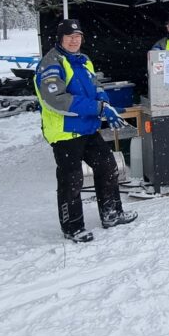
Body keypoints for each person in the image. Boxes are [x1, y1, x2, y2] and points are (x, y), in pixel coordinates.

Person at [35, 19, 138, 242]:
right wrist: (97, 108)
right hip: (64, 132)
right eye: (69, 37)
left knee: (108, 167)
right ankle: (73, 227)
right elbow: (56, 100)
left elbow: (96, 87)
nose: (74, 40)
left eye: (78, 36)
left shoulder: (84, 61)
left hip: (87, 129)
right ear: (60, 39)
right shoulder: (50, 64)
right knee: (71, 180)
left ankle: (111, 214)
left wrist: (105, 104)